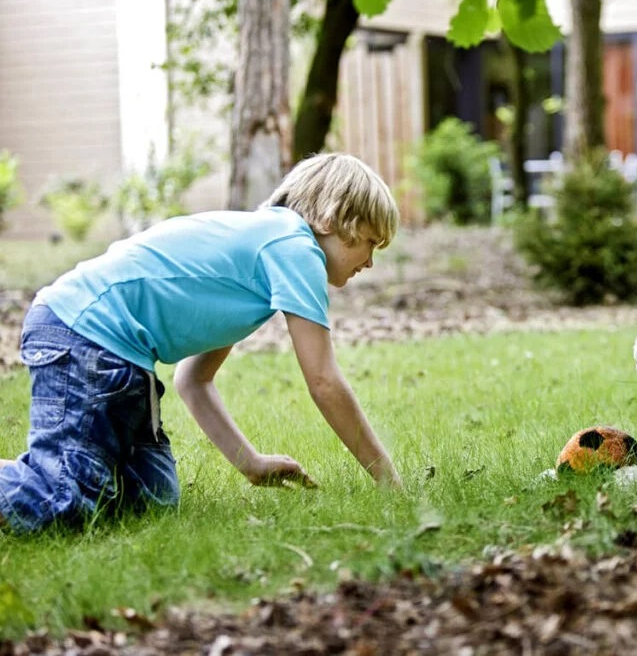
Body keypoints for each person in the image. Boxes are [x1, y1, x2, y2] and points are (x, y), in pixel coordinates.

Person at [0, 153, 402, 534]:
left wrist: (252, 464)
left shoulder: (257, 259)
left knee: (151, 502)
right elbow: (324, 382)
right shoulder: (294, 248)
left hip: (122, 357)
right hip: (83, 333)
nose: (369, 261)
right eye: (369, 241)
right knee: (65, 499)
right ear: (330, 218)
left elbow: (193, 381)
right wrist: (390, 484)